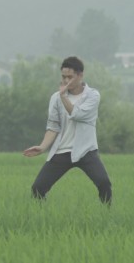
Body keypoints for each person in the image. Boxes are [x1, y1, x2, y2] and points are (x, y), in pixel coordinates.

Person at [23, 56, 112, 205]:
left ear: (80, 75)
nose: (65, 81)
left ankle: (108, 214)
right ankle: (41, 218)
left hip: (86, 151)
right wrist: (43, 147)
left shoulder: (92, 95)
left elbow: (77, 115)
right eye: (63, 77)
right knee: (37, 188)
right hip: (62, 151)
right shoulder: (55, 98)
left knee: (104, 183)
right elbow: (53, 126)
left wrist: (64, 97)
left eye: (69, 77)